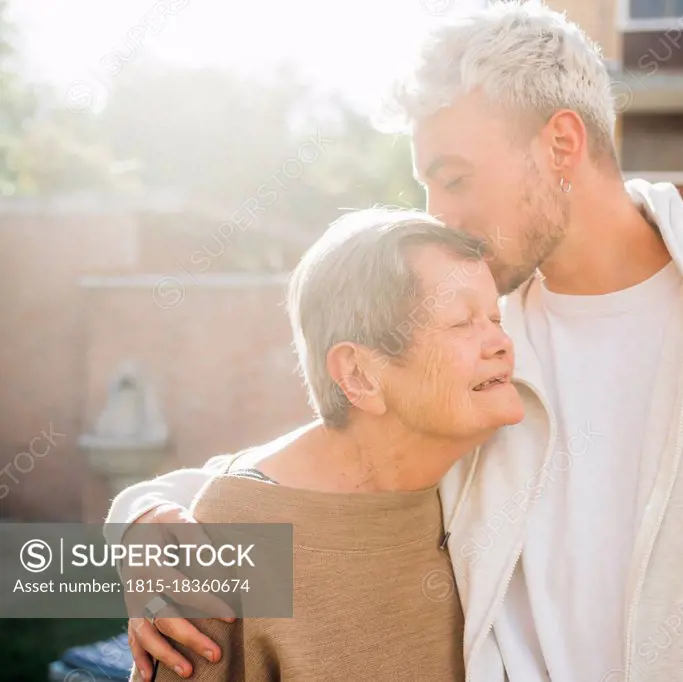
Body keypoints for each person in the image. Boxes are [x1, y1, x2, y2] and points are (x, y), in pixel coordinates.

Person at [108, 2, 683, 680]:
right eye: (425, 185)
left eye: (455, 178)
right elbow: (298, 473)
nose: (439, 212)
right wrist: (135, 523)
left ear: (561, 145)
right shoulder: (472, 355)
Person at [127, 209, 523, 681]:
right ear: (359, 374)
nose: (501, 342)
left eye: (496, 317)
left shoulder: (484, 482)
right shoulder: (226, 542)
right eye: (462, 322)